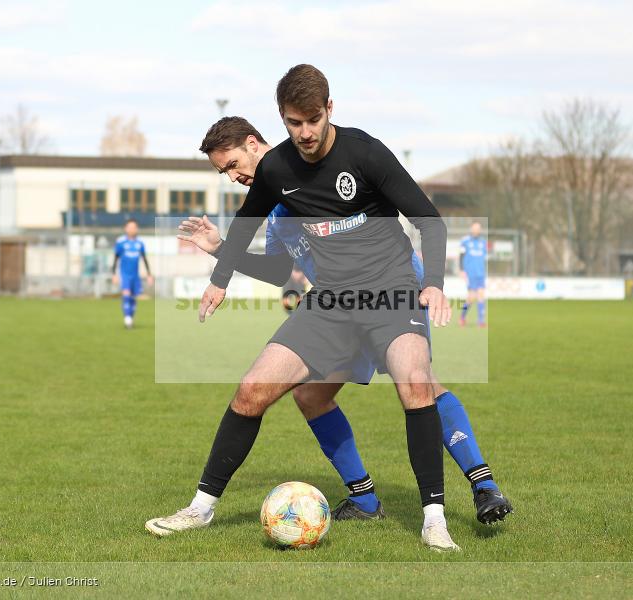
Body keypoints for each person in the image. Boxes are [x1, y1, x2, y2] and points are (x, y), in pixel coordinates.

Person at [147, 64, 459, 551]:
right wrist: (218, 280)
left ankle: (434, 520)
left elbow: (430, 220)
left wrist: (434, 284)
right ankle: (200, 509)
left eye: (313, 119)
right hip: (331, 300)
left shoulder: (365, 152)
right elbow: (247, 226)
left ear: (329, 109)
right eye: (294, 123)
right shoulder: (276, 171)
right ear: (282, 120)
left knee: (415, 383)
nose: (305, 132)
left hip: (390, 290)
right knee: (251, 391)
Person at [176, 116, 511, 526]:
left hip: (392, 289)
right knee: (311, 395)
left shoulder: (304, 170)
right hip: (338, 306)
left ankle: (483, 485)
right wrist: (221, 250)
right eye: (223, 171)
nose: (233, 177)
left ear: (252, 144)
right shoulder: (276, 210)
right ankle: (365, 500)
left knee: (419, 384)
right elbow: (281, 271)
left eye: (231, 165)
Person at [112, 219, 153, 329]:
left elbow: (145, 259)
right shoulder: (121, 243)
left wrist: (149, 275)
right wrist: (114, 274)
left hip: (135, 275)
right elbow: (115, 259)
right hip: (125, 274)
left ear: (136, 229)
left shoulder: (140, 244)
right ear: (126, 228)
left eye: (134, 227)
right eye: (130, 227)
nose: (132, 229)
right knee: (126, 294)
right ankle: (127, 319)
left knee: (133, 297)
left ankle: (130, 317)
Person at [459, 222, 487, 327]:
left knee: (481, 295)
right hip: (470, 273)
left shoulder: (483, 242)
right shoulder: (465, 241)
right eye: (474, 228)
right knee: (471, 298)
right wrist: (461, 270)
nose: (476, 230)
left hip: (481, 273)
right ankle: (462, 317)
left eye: (478, 228)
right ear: (471, 229)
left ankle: (481, 321)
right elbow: (461, 256)